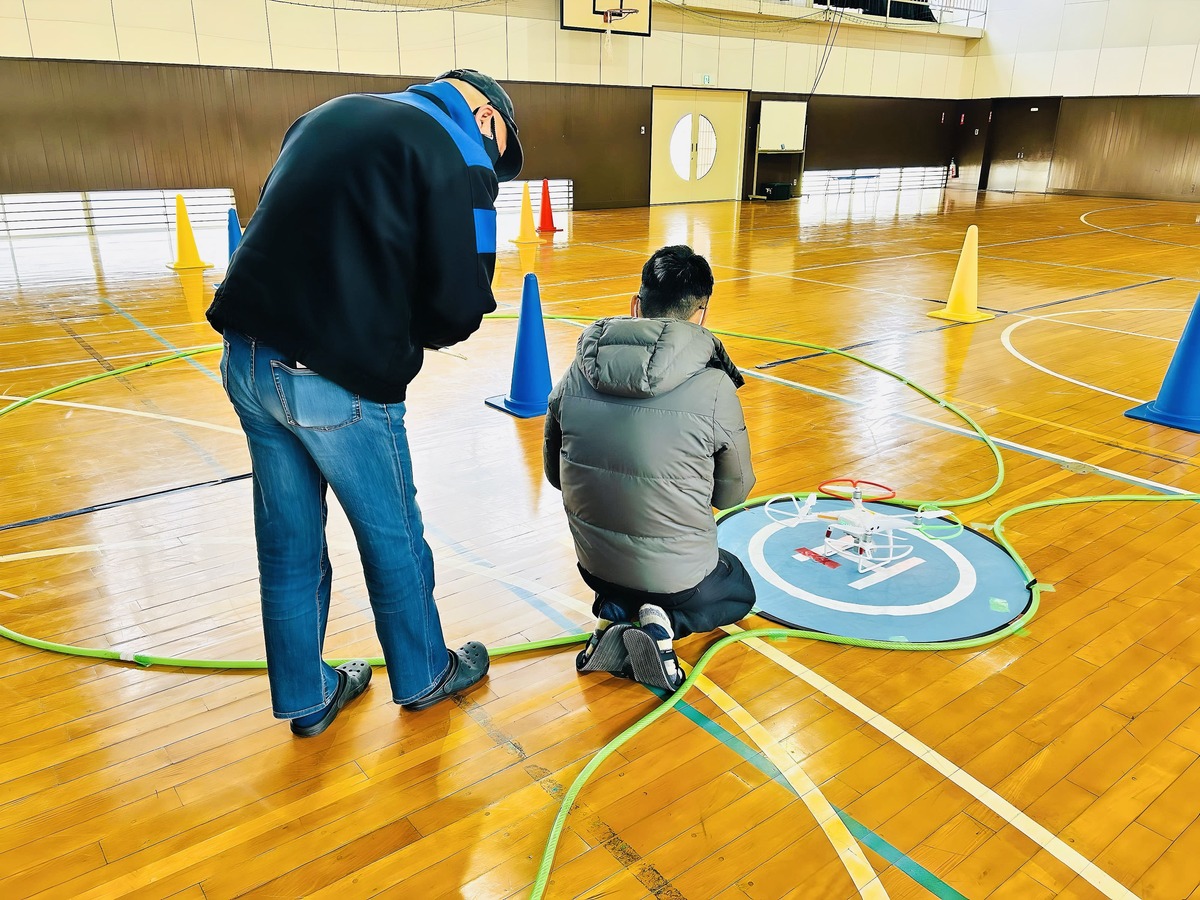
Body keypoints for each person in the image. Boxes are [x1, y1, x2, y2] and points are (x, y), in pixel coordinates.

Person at [207, 69, 523, 736]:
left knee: (288, 543)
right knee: (393, 538)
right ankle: (424, 675)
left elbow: (287, 221)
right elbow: (462, 307)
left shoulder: (329, 113)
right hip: (334, 378)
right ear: (486, 117)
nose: (493, 160)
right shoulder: (463, 150)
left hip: (246, 355)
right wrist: (410, 327)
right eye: (500, 147)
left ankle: (306, 696)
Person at [543, 245, 757, 691]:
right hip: (673, 578)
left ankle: (614, 615)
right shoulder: (715, 386)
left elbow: (553, 473)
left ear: (635, 304)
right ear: (701, 312)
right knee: (736, 585)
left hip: (594, 564)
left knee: (632, 556)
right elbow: (732, 495)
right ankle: (662, 627)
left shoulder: (576, 372)